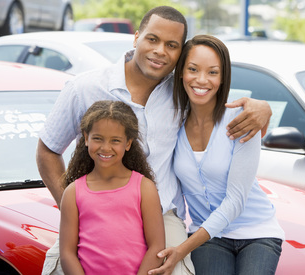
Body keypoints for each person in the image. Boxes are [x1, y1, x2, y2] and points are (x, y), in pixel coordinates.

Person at [37, 6, 272, 275]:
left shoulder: (181, 91)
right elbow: (47, 150)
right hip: (94, 213)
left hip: (162, 217)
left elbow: (213, 94)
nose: (160, 50)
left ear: (180, 54)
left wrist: (261, 107)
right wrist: (73, 210)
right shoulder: (85, 87)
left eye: (171, 45)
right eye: (152, 39)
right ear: (136, 37)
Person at [148, 35, 285, 275]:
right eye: (193, 69)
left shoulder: (242, 119)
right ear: (181, 73)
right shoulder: (172, 124)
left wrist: (181, 249)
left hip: (257, 232)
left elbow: (235, 201)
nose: (202, 80)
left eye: (212, 72)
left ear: (223, 79)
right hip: (208, 238)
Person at [59, 100, 164, 274]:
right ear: (86, 138)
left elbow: (156, 247)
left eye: (115, 140)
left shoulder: (144, 188)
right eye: (98, 139)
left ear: (128, 143)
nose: (106, 147)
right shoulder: (73, 192)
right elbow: (67, 254)